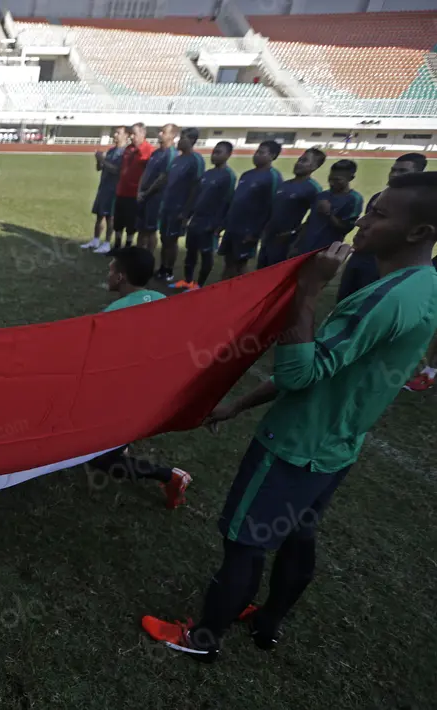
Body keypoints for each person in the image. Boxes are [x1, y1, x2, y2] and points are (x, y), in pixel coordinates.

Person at [142, 171, 437, 661]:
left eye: (379, 213)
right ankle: (268, 619)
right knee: (298, 532)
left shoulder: (384, 299)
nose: (362, 220)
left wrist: (308, 292)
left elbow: (303, 373)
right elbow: (331, 372)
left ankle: (202, 639)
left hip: (294, 445)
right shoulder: (423, 284)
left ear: (418, 233)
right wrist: (239, 404)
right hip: (336, 447)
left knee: (244, 543)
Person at [85, 246, 193, 507]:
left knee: (97, 460)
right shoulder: (162, 300)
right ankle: (120, 442)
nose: (108, 273)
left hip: (123, 398)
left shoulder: (113, 314)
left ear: (121, 277)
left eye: (111, 268)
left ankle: (171, 476)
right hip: (152, 394)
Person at [338, 153, 427, 302]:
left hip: (382, 264)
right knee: (343, 300)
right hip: (359, 257)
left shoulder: (420, 207)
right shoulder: (378, 197)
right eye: (393, 169)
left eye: (402, 171)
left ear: (418, 174)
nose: (394, 174)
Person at [174, 141, 235, 291]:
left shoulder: (228, 176)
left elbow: (227, 202)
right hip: (196, 220)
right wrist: (187, 215)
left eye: (219, 152)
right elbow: (196, 195)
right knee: (190, 252)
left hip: (210, 222)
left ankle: (199, 284)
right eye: (214, 151)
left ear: (228, 155)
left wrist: (217, 225)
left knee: (206, 255)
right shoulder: (208, 174)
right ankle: (188, 282)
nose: (214, 154)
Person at [219, 140, 282, 280]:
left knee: (240, 264)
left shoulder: (273, 177)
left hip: (248, 230)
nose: (256, 155)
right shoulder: (247, 175)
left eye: (261, 152)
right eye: (256, 151)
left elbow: (272, 207)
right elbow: (237, 201)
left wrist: (256, 233)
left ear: (272, 156)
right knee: (228, 261)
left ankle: (240, 294)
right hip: (233, 227)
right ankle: (223, 291)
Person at [257, 148, 326, 269]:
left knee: (276, 275)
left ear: (315, 166)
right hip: (269, 238)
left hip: (286, 241)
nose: (298, 163)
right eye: (299, 159)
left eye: (304, 161)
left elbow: (314, 219)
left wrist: (294, 234)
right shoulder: (285, 184)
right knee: (260, 272)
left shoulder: (313, 189)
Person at [156, 127, 204, 281]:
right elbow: (167, 179)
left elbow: (196, 187)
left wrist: (186, 211)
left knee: (172, 239)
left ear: (191, 140)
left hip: (179, 208)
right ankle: (162, 268)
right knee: (164, 237)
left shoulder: (196, 160)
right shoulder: (177, 159)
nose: (179, 140)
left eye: (183, 137)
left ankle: (169, 270)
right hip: (167, 206)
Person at [291, 159, 363, 255]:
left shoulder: (354, 199)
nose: (332, 183)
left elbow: (345, 228)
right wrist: (295, 245)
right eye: (330, 179)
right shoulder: (322, 195)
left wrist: (328, 213)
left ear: (351, 178)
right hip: (304, 249)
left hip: (325, 252)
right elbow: (309, 222)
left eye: (338, 180)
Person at [107, 123, 153, 254]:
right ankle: (116, 246)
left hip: (134, 193)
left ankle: (127, 247)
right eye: (131, 134)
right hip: (121, 190)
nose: (132, 137)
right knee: (118, 222)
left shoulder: (148, 150)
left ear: (143, 134)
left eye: (135, 134)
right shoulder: (128, 149)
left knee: (131, 224)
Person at [135, 123, 179, 256]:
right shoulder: (155, 153)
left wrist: (146, 193)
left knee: (150, 230)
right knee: (141, 229)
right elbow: (146, 172)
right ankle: (138, 255)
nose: (160, 134)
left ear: (172, 136)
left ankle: (148, 257)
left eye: (163, 132)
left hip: (156, 199)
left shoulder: (171, 154)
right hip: (144, 196)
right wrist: (139, 191)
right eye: (160, 131)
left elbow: (163, 178)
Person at [82, 126, 127, 252]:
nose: (115, 135)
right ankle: (95, 240)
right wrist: (99, 160)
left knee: (110, 217)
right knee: (99, 215)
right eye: (115, 133)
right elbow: (100, 168)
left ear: (126, 136)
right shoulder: (111, 150)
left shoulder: (124, 153)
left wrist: (103, 160)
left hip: (114, 189)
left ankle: (107, 243)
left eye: (118, 133)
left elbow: (116, 170)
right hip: (103, 187)